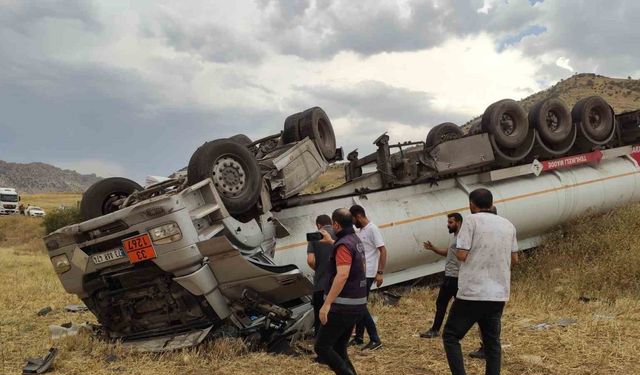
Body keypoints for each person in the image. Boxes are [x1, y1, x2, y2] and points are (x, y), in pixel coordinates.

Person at [443, 191, 518, 375]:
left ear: (472, 204)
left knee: (451, 336)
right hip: (498, 293)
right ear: (491, 203)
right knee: (492, 343)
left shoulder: (471, 220)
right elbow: (514, 259)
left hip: (473, 291)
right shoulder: (508, 225)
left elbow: (461, 254)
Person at [314, 208, 367, 375]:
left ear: (336, 224)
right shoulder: (354, 240)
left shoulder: (343, 245)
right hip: (357, 303)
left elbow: (342, 275)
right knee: (339, 348)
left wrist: (326, 304)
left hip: (343, 306)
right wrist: (331, 242)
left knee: (322, 347)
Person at [420, 212, 463, 338]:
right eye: (448, 222)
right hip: (451, 276)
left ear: (458, 223)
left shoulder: (461, 238)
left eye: (451, 223)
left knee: (442, 303)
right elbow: (449, 253)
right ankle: (445, 329)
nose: (448, 225)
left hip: (454, 276)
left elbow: (463, 256)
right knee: (453, 304)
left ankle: (435, 330)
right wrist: (434, 249)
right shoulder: (455, 237)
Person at [349, 204, 386, 350]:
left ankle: (375, 339)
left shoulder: (372, 229)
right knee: (359, 305)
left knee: (360, 306)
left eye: (353, 219)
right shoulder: (362, 230)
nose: (352, 223)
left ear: (358, 216)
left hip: (369, 273)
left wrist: (380, 272)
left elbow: (383, 250)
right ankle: (358, 337)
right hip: (362, 272)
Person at [467, 205, 499, 360]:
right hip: (498, 286)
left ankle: (487, 348)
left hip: (483, 286)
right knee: (493, 320)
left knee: (484, 321)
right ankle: (490, 349)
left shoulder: (481, 236)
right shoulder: (501, 234)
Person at [307, 214, 337, 336]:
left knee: (320, 312)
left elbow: (310, 260)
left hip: (321, 283)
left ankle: (320, 339)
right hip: (337, 281)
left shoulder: (315, 236)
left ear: (319, 225)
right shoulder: (338, 233)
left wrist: (318, 268)